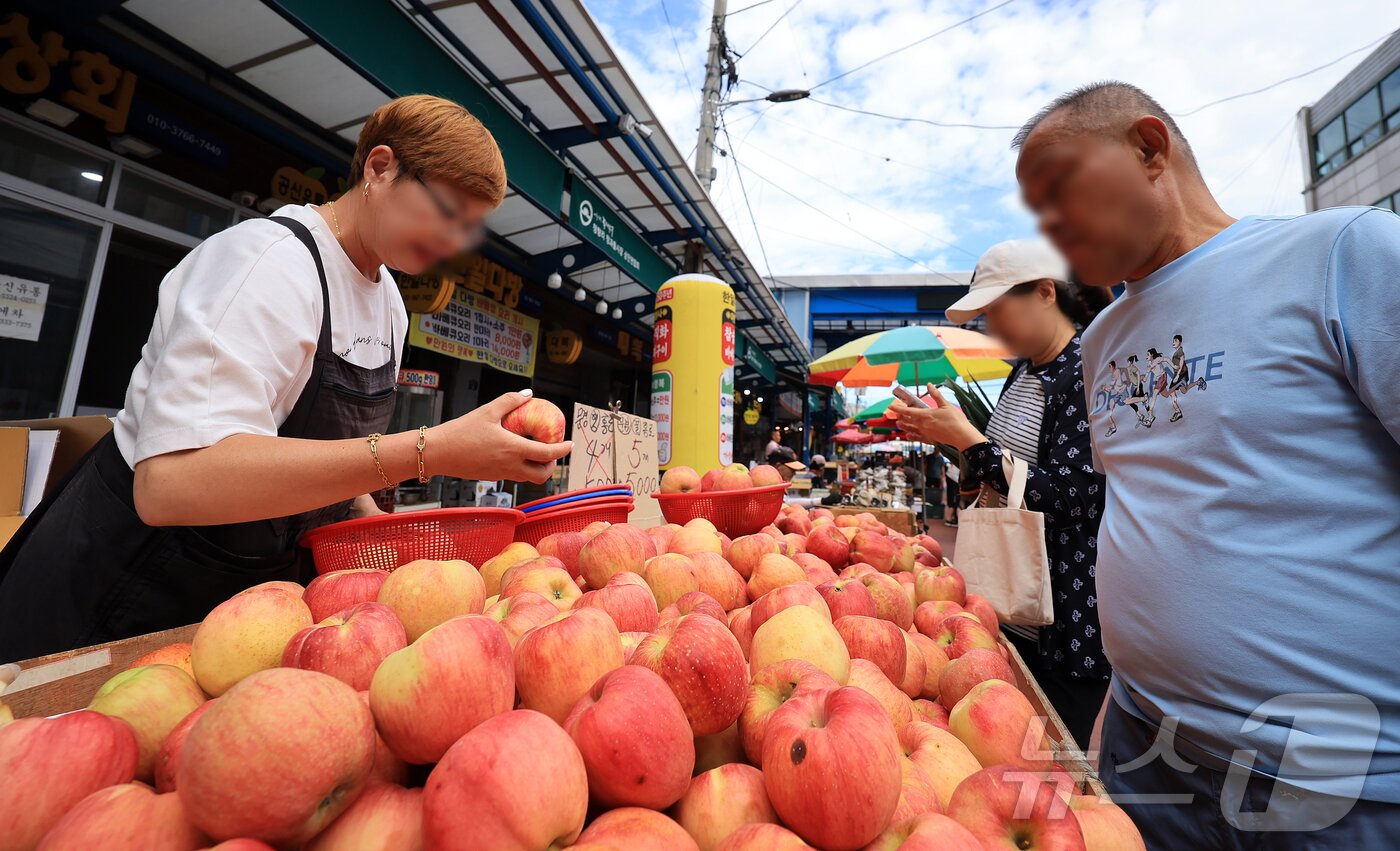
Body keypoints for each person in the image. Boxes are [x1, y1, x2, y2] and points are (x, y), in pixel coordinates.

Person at [0, 96, 572, 661]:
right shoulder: (267, 263)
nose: (455, 241)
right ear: (380, 167)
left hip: (244, 606)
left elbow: (324, 461)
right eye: (447, 211)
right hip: (123, 587)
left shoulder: (391, 305)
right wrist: (431, 450)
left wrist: (374, 536)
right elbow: (170, 483)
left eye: (470, 227)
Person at [1015, 80, 1400, 847]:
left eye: (1060, 192)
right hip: (1145, 749)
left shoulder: (1341, 254)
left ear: (1149, 149)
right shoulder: (1100, 341)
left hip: (1339, 787)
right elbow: (1147, 506)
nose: (1051, 227)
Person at [889, 237, 1112, 747]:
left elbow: (1072, 495)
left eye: (997, 310)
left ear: (1045, 293)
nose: (993, 327)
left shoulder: (1086, 371)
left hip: (1064, 616)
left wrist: (966, 437)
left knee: (1050, 763)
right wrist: (949, 438)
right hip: (1009, 604)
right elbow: (998, 473)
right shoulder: (1024, 373)